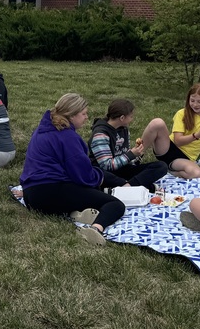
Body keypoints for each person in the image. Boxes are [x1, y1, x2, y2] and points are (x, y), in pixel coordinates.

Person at [19, 93, 128, 246]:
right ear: (71, 115)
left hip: (30, 196)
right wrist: (100, 178)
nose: (87, 117)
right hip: (49, 192)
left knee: (86, 191)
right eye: (84, 113)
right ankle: (95, 229)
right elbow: (85, 176)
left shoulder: (41, 129)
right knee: (115, 204)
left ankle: (76, 214)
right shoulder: (67, 137)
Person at [89, 99, 169, 191]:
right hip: (106, 173)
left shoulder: (124, 129)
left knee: (161, 166)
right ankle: (132, 187)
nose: (132, 119)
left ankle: (127, 186)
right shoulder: (101, 134)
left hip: (123, 169)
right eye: (131, 116)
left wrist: (135, 154)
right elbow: (107, 165)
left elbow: (124, 154)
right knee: (104, 175)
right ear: (122, 118)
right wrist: (131, 154)